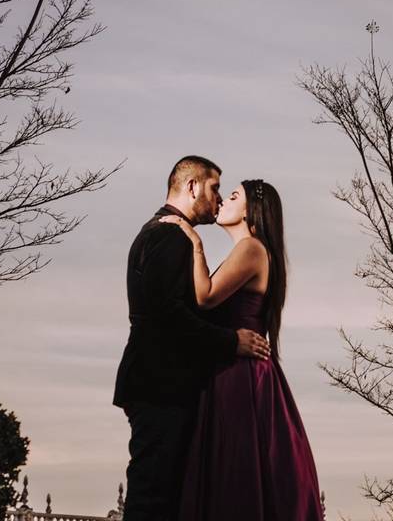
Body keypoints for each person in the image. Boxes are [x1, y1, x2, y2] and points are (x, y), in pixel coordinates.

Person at [113, 156, 271, 521]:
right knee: (154, 499)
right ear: (192, 186)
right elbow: (169, 317)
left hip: (155, 381)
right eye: (215, 188)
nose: (217, 199)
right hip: (161, 384)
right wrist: (231, 342)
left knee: (161, 496)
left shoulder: (162, 231)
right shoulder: (170, 235)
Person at [159, 178, 322, 520]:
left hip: (241, 378)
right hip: (239, 372)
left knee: (235, 472)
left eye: (232, 196)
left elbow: (204, 297)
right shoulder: (250, 251)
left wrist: (193, 240)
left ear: (251, 210)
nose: (222, 201)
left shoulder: (252, 249)